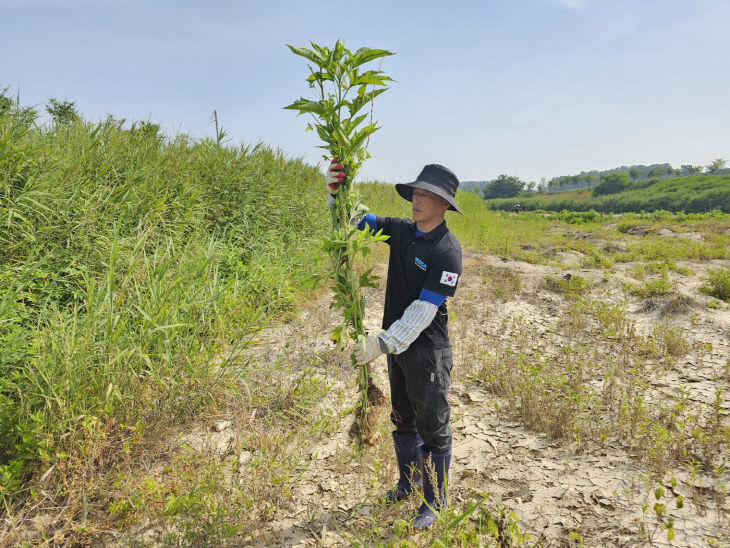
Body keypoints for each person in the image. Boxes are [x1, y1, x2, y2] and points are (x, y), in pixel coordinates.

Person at [325, 161, 463, 531]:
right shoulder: (401, 230)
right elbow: (357, 221)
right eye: (415, 193)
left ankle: (435, 500)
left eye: (426, 195)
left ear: (445, 205)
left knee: (432, 425)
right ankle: (408, 483)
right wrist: (336, 192)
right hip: (397, 349)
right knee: (402, 417)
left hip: (427, 350)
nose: (416, 201)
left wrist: (381, 342)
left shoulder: (447, 251)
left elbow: (423, 310)